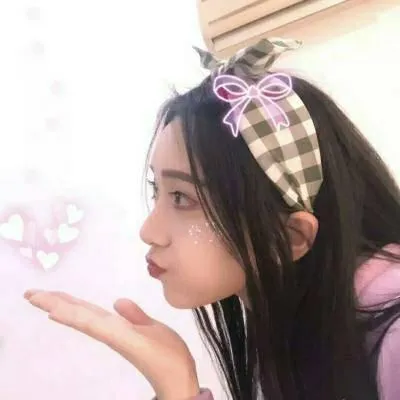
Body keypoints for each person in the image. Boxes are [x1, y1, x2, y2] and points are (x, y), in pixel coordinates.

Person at [24, 38, 400, 400]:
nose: (149, 231)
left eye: (182, 198)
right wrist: (177, 385)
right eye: (158, 191)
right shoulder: (297, 320)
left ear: (291, 236)